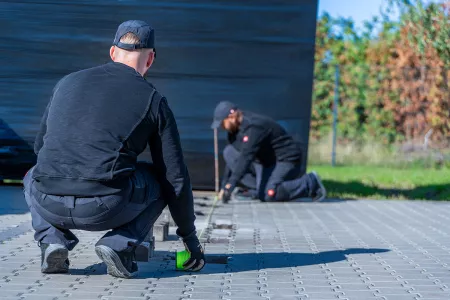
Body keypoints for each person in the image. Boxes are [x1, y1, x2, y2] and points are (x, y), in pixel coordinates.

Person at [23, 20, 205, 279]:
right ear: (151, 59)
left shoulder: (66, 82)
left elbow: (39, 146)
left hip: (48, 201)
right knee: (161, 178)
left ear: (112, 52)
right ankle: (119, 244)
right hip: (105, 207)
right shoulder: (153, 99)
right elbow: (175, 178)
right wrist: (190, 239)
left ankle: (51, 240)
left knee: (32, 174)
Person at [211, 101, 327, 203]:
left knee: (269, 194)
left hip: (286, 160)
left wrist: (230, 186)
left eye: (222, 123)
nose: (222, 127)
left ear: (232, 116)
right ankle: (259, 189)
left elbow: (246, 158)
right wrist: (224, 186)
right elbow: (235, 162)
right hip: (264, 162)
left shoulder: (254, 127)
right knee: (229, 152)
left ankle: (310, 182)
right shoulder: (233, 132)